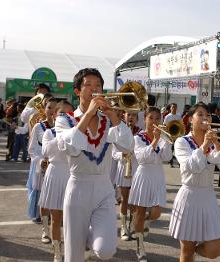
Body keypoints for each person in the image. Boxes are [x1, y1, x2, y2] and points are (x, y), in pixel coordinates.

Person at [55, 68, 134, 261]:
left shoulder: (109, 121)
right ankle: (81, 237)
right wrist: (89, 114)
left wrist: (113, 115)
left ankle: (88, 235)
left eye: (98, 85)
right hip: (77, 187)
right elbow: (70, 148)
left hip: (104, 188)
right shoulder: (64, 119)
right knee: (74, 255)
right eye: (88, 85)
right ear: (77, 92)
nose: (94, 89)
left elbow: (127, 146)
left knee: (106, 250)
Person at [170, 102, 220, 262]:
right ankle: (190, 252)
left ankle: (193, 252)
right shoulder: (182, 142)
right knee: (186, 251)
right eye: (200, 114)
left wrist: (217, 143)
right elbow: (192, 167)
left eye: (208, 115)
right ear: (190, 119)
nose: (205, 118)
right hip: (189, 196)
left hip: (208, 197)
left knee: (214, 250)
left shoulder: (212, 143)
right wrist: (205, 145)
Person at [128, 106, 172, 261]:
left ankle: (145, 222)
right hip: (143, 174)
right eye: (151, 118)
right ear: (144, 119)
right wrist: (154, 140)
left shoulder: (163, 137)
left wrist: (166, 141)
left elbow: (166, 157)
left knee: (157, 211)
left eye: (157, 118)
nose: (154, 121)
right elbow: (141, 157)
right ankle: (140, 247)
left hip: (158, 175)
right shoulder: (138, 138)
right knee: (139, 212)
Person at [39, 100, 74, 262]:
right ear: (54, 116)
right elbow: (46, 151)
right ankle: (57, 251)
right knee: (56, 217)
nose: (66, 117)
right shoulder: (48, 133)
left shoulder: (76, 132)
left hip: (72, 175)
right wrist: (60, 134)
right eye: (62, 114)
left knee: (72, 217)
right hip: (54, 173)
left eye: (69, 114)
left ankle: (73, 248)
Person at [28, 97, 58, 243]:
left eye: (55, 108)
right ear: (44, 109)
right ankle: (45, 231)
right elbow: (32, 149)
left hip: (59, 169)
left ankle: (56, 230)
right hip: (43, 168)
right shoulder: (38, 127)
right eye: (49, 108)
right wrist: (40, 162)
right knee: (44, 199)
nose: (52, 111)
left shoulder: (64, 127)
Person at [112, 111, 140, 241]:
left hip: (137, 169)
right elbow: (113, 152)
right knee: (124, 199)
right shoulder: (117, 131)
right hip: (123, 168)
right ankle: (123, 227)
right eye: (129, 115)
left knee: (135, 200)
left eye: (134, 115)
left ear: (137, 118)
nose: (131, 117)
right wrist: (121, 155)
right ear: (124, 116)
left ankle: (133, 225)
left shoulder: (140, 133)